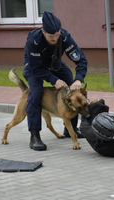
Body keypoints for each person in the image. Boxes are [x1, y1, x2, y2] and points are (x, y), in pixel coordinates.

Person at [23, 11, 88, 151]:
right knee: (35, 94)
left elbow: (81, 60)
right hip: (35, 68)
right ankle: (34, 136)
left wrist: (78, 79)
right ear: (43, 31)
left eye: (57, 35)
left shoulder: (64, 37)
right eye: (51, 36)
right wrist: (54, 80)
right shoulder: (33, 40)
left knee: (72, 88)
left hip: (54, 63)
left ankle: (71, 129)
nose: (55, 39)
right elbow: (36, 69)